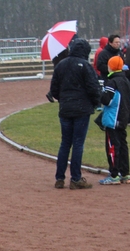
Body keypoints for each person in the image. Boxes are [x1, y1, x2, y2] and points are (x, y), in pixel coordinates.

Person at [49, 38, 100, 190]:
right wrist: (95, 102)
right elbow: (93, 87)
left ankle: (59, 178)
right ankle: (76, 178)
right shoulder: (85, 66)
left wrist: (64, 99)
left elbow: (54, 89)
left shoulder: (61, 65)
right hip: (81, 108)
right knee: (78, 143)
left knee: (65, 143)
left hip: (66, 108)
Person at [98, 56, 130, 185]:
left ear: (111, 67)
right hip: (123, 118)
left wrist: (100, 92)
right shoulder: (126, 81)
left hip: (112, 119)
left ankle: (114, 175)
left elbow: (107, 100)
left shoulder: (112, 82)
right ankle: (125, 173)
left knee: (112, 146)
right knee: (123, 146)